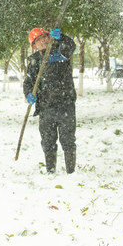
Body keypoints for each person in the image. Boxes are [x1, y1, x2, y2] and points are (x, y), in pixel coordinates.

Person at [23, 26, 78, 174]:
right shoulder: (34, 61)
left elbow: (71, 46)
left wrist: (62, 37)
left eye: (45, 37)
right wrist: (29, 94)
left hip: (65, 104)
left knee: (68, 139)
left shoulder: (61, 51)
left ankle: (71, 171)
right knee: (48, 141)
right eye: (39, 40)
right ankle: (51, 170)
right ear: (34, 45)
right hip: (46, 106)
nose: (43, 41)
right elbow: (28, 82)